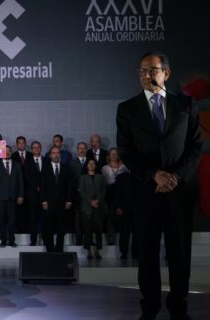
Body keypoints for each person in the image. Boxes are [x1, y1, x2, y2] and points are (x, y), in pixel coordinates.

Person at [116, 52, 202, 319]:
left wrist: (175, 176)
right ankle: (150, 305)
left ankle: (179, 304)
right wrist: (154, 174)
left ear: (167, 73)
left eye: (152, 70)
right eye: (142, 71)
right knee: (148, 251)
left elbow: (195, 146)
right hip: (146, 190)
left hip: (179, 191)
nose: (147, 75)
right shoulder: (127, 109)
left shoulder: (186, 105)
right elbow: (126, 151)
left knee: (179, 251)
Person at [0, 146, 24, 247]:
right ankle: (3, 240)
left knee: (12, 220)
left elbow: (20, 181)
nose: (7, 153)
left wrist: (21, 195)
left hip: (13, 197)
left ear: (11, 152)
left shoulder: (17, 165)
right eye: (5, 151)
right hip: (0, 198)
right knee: (1, 220)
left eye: (9, 151)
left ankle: (12, 240)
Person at [40, 146, 73, 252]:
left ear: (60, 154)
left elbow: (69, 186)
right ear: (50, 155)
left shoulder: (66, 168)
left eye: (58, 153)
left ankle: (59, 250)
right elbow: (42, 186)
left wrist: (69, 200)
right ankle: (49, 249)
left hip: (62, 203)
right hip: (48, 203)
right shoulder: (45, 168)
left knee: (61, 228)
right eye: (53, 153)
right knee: (48, 228)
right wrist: (44, 201)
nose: (56, 155)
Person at [79, 159, 107, 259]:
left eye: (93, 163)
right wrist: (90, 201)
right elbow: (81, 192)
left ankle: (98, 251)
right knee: (87, 230)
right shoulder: (83, 177)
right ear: (86, 166)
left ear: (95, 166)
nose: (91, 165)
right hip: (86, 207)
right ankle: (88, 251)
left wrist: (97, 200)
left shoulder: (101, 177)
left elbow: (103, 191)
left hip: (98, 207)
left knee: (99, 230)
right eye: (89, 163)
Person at [101, 148, 129, 246]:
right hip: (109, 194)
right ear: (108, 156)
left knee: (123, 218)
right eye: (111, 154)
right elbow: (103, 183)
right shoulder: (104, 168)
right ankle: (111, 239)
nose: (113, 156)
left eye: (115, 154)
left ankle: (124, 240)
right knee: (110, 216)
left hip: (122, 195)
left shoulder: (124, 167)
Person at [24, 141, 46, 245]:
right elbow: (27, 177)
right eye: (34, 148)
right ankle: (33, 240)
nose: (36, 149)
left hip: (45, 194)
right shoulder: (27, 161)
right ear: (32, 150)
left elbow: (48, 176)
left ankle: (45, 238)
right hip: (32, 194)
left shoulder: (46, 160)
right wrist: (35, 186)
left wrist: (42, 187)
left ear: (41, 148)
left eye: (38, 147)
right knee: (32, 218)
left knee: (45, 217)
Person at [69, 142, 88, 245]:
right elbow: (71, 181)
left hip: (88, 196)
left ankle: (88, 239)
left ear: (86, 149)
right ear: (77, 150)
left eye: (84, 148)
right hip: (76, 195)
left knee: (88, 219)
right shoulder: (72, 163)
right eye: (80, 148)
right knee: (77, 219)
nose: (82, 150)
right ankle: (78, 239)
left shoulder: (91, 162)